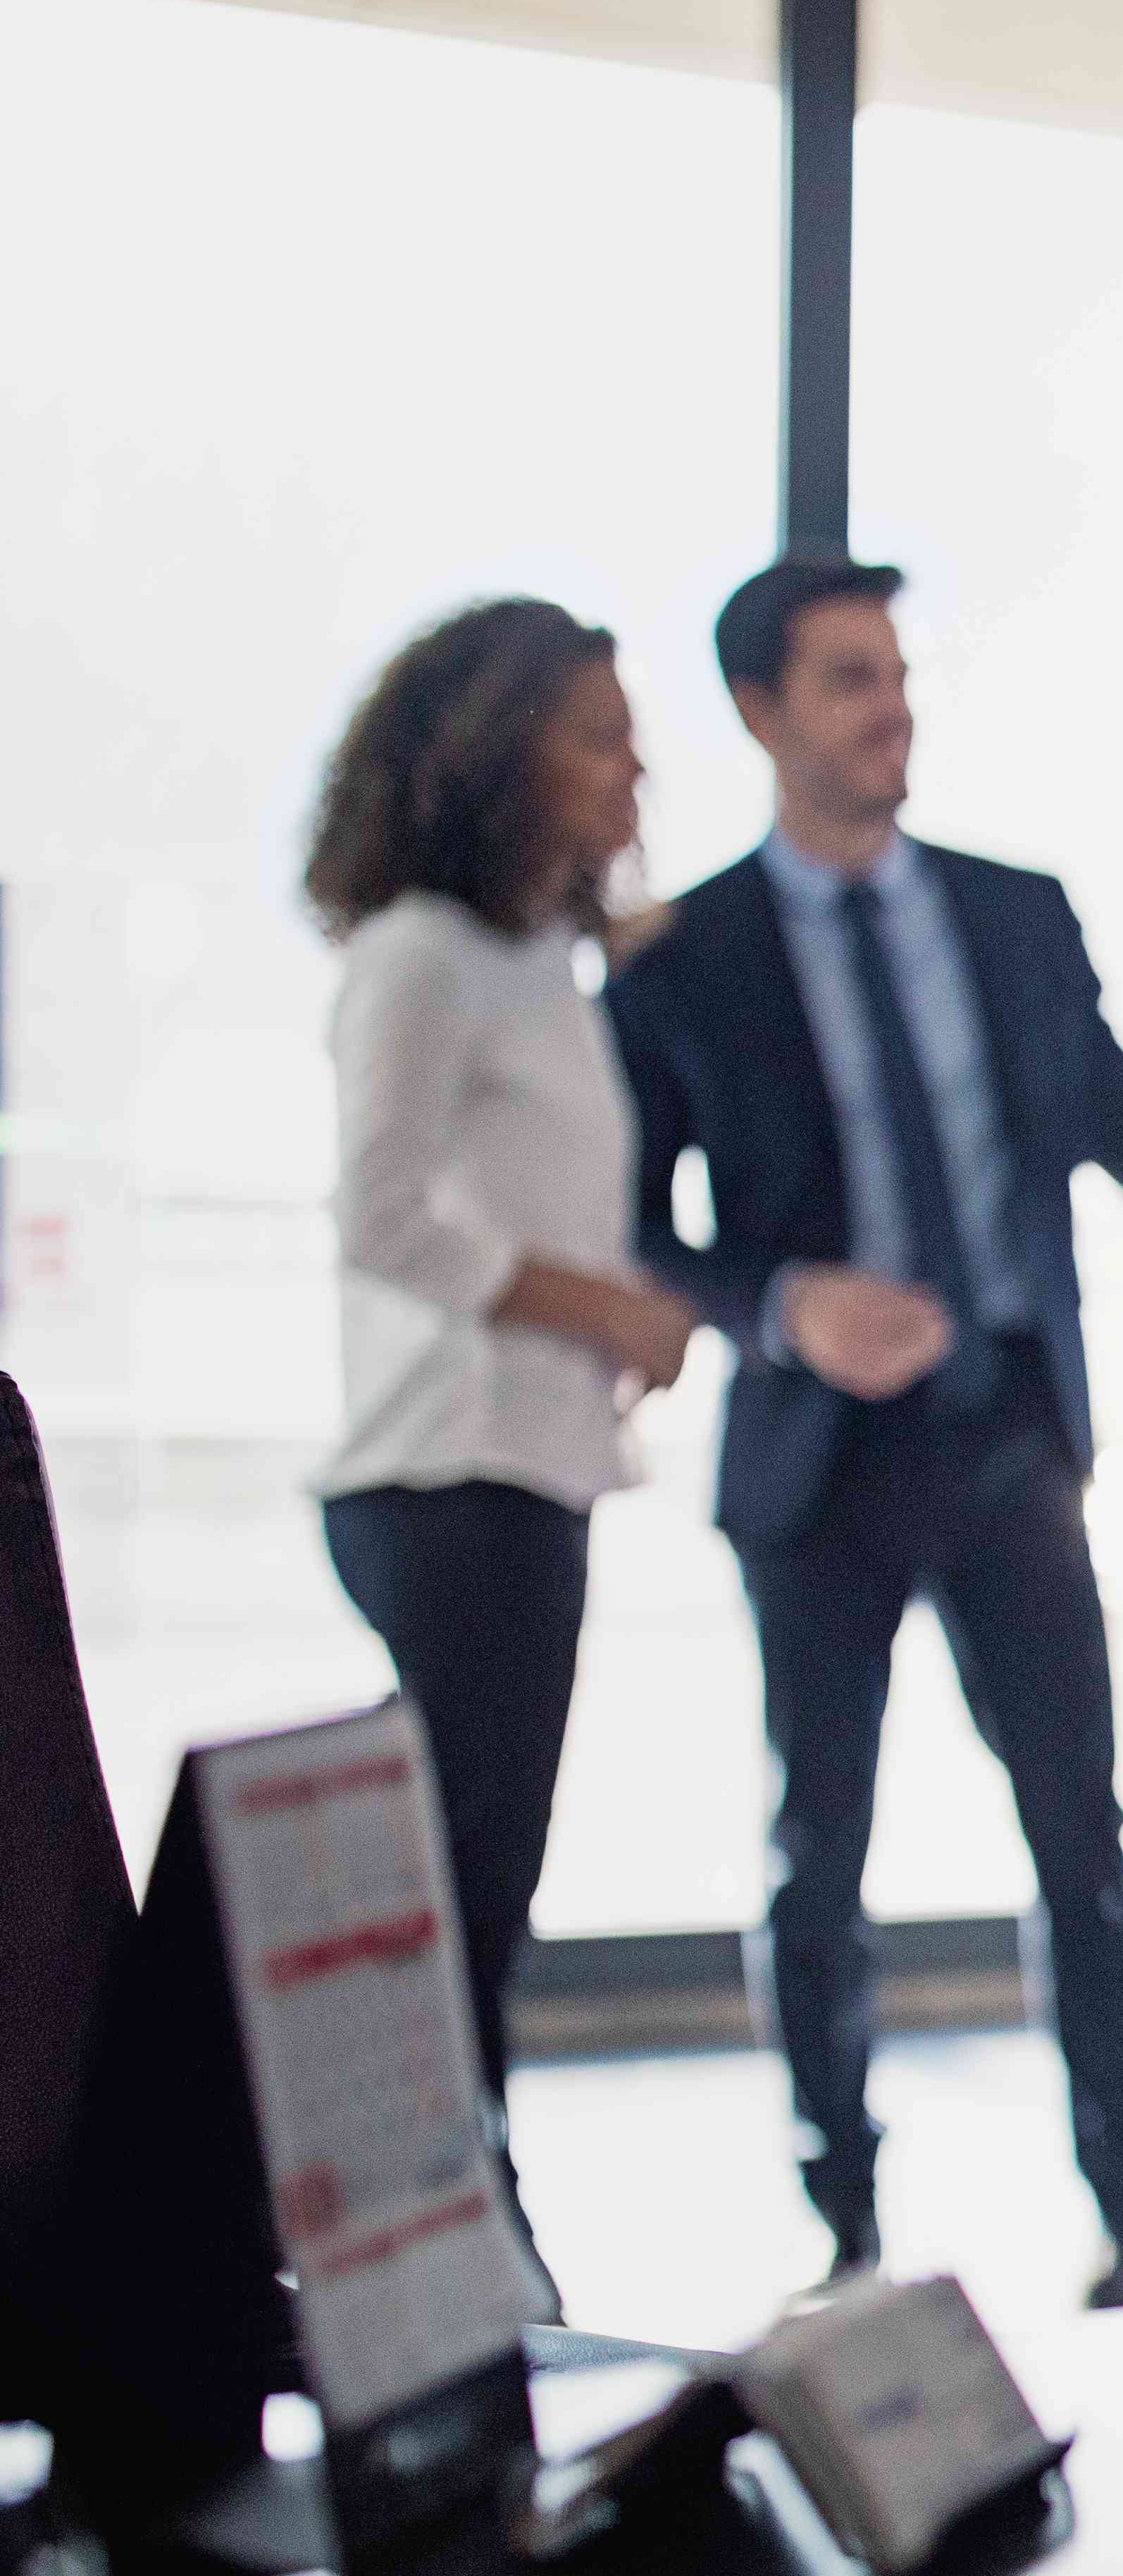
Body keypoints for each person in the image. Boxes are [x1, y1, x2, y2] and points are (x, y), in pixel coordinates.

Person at [603, 555, 1123, 2310]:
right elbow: (647, 1230)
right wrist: (788, 1303)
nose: (893, 712)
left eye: (898, 675)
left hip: (1014, 1437)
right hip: (821, 1461)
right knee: (823, 1849)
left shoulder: (1017, 911)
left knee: (1081, 1833)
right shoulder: (685, 962)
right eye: (851, 680)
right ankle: (842, 2237)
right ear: (761, 712)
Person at [306, 599, 701, 2315]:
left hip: (533, 1472)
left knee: (484, 1874)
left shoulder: (546, 962)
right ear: (495, 754)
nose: (634, 768)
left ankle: (462, 2222)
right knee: (464, 1885)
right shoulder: (414, 954)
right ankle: (461, 2244)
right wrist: (594, 1308)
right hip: (444, 1475)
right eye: (598, 734)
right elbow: (381, 1212)